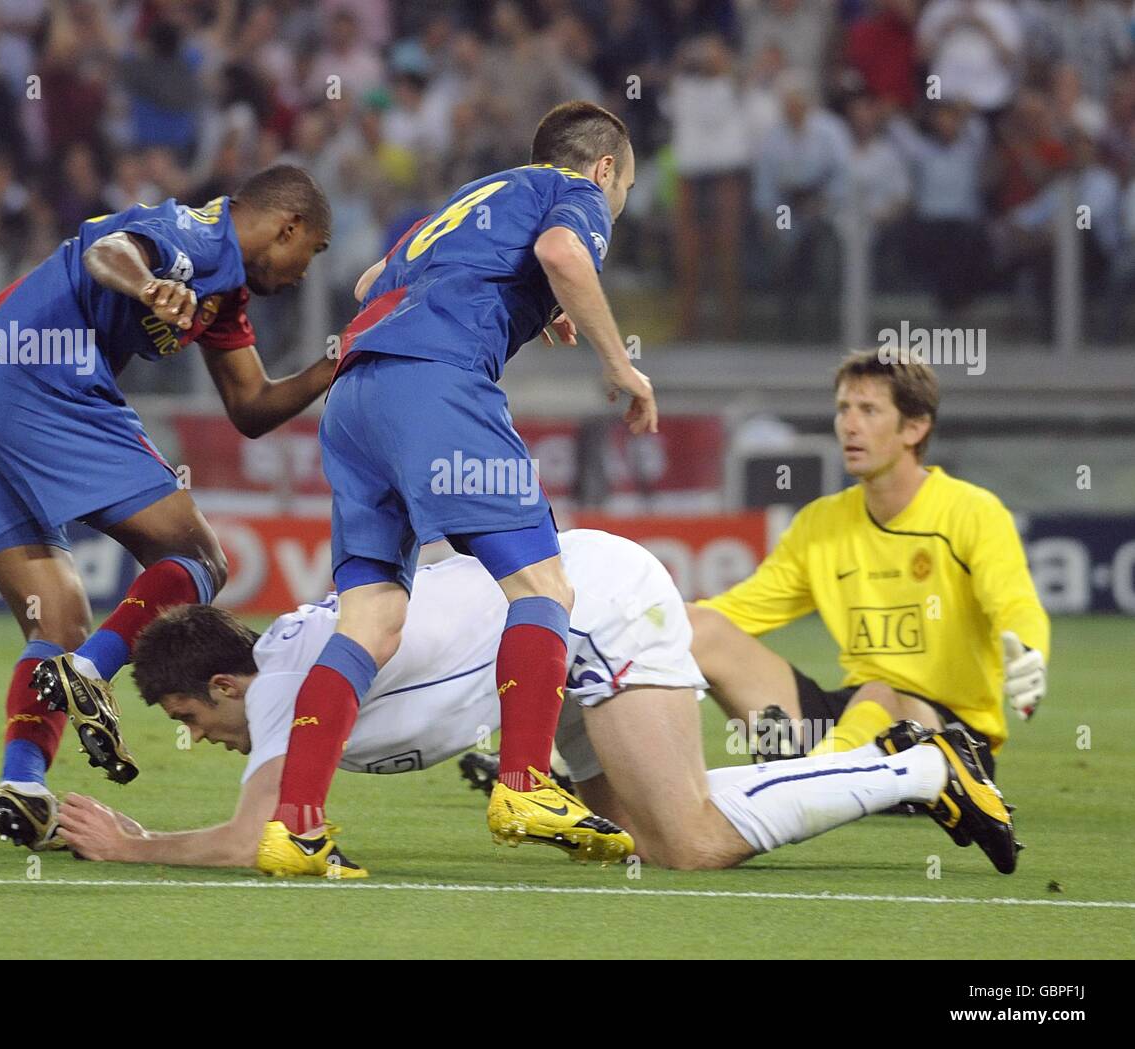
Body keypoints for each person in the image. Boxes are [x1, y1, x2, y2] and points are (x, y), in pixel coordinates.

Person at [56, 529, 1021, 876]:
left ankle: (924, 765)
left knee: (685, 840)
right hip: (541, 637)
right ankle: (904, 767)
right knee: (643, 833)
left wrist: (132, 845)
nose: (200, 738)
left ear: (226, 684)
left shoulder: (287, 684)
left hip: (586, 605)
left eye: (190, 719)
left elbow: (253, 839)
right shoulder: (295, 664)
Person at [257, 100, 657, 878]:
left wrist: (525, 303)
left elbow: (375, 280)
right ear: (604, 169)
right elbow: (564, 253)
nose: (615, 207)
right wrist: (618, 363)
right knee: (543, 583)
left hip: (355, 399)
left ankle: (294, 828)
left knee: (370, 617)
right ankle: (525, 783)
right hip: (435, 388)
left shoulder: (466, 200)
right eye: (624, 193)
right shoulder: (570, 191)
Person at [0, 163, 335, 848]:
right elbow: (106, 252)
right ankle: (91, 672)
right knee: (199, 555)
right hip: (37, 384)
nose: (300, 274)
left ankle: (22, 786)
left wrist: (336, 359)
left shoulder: (224, 295)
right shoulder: (197, 235)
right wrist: (149, 285)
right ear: (288, 225)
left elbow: (253, 406)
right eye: (309, 253)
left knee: (56, 614)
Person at [689, 352, 1050, 781]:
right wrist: (651, 639)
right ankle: (659, 782)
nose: (849, 425)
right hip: (856, 715)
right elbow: (737, 611)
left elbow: (1014, 602)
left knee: (879, 693)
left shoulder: (972, 511)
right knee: (701, 628)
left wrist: (1028, 649)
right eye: (844, 409)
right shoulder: (820, 523)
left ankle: (812, 776)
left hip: (951, 735)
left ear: (915, 428)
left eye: (869, 410)